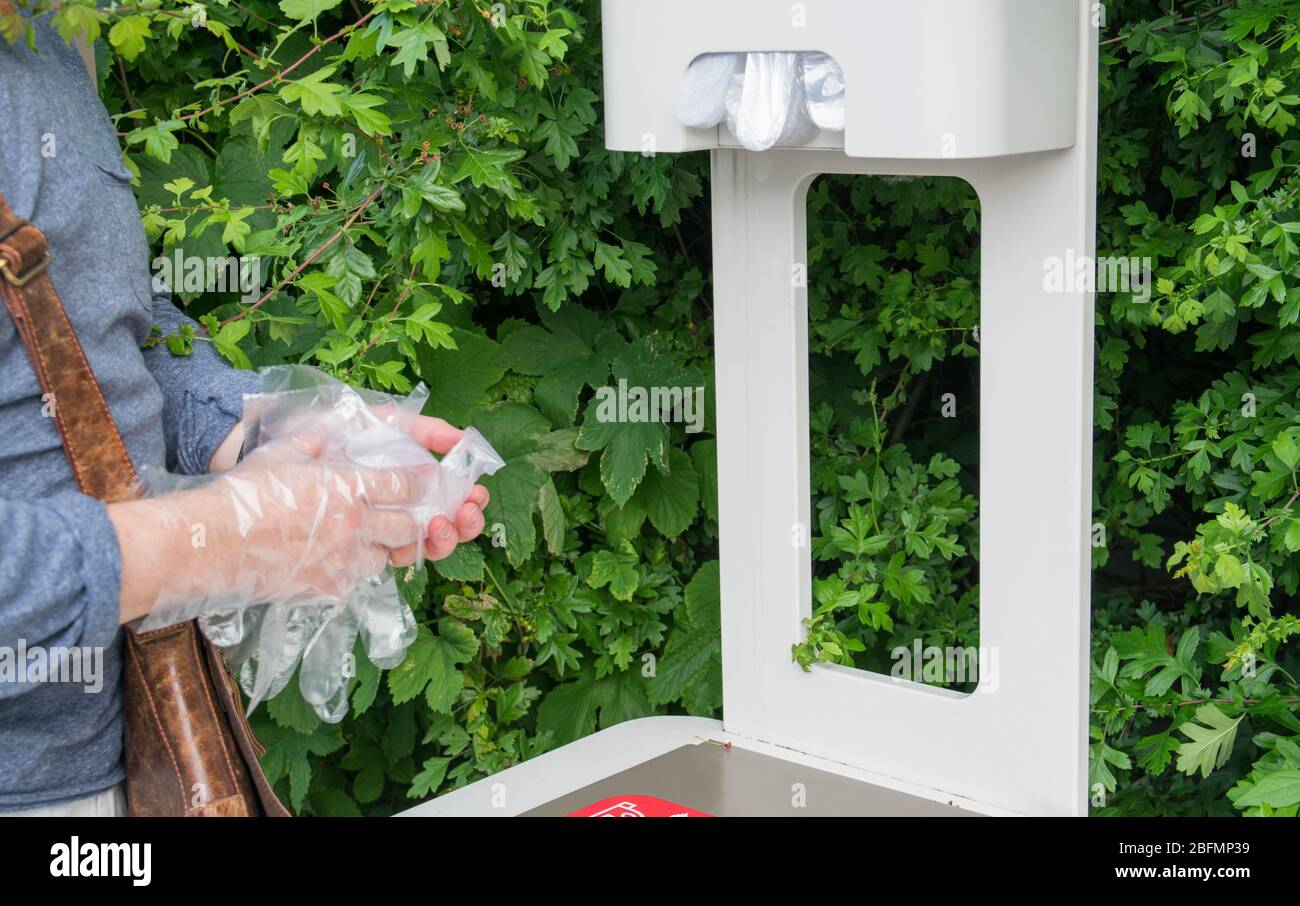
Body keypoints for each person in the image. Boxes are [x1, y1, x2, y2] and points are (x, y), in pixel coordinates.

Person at [0, 16, 488, 815]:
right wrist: (223, 538)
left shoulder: (46, 35)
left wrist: (262, 427)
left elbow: (108, 320)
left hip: (144, 744)